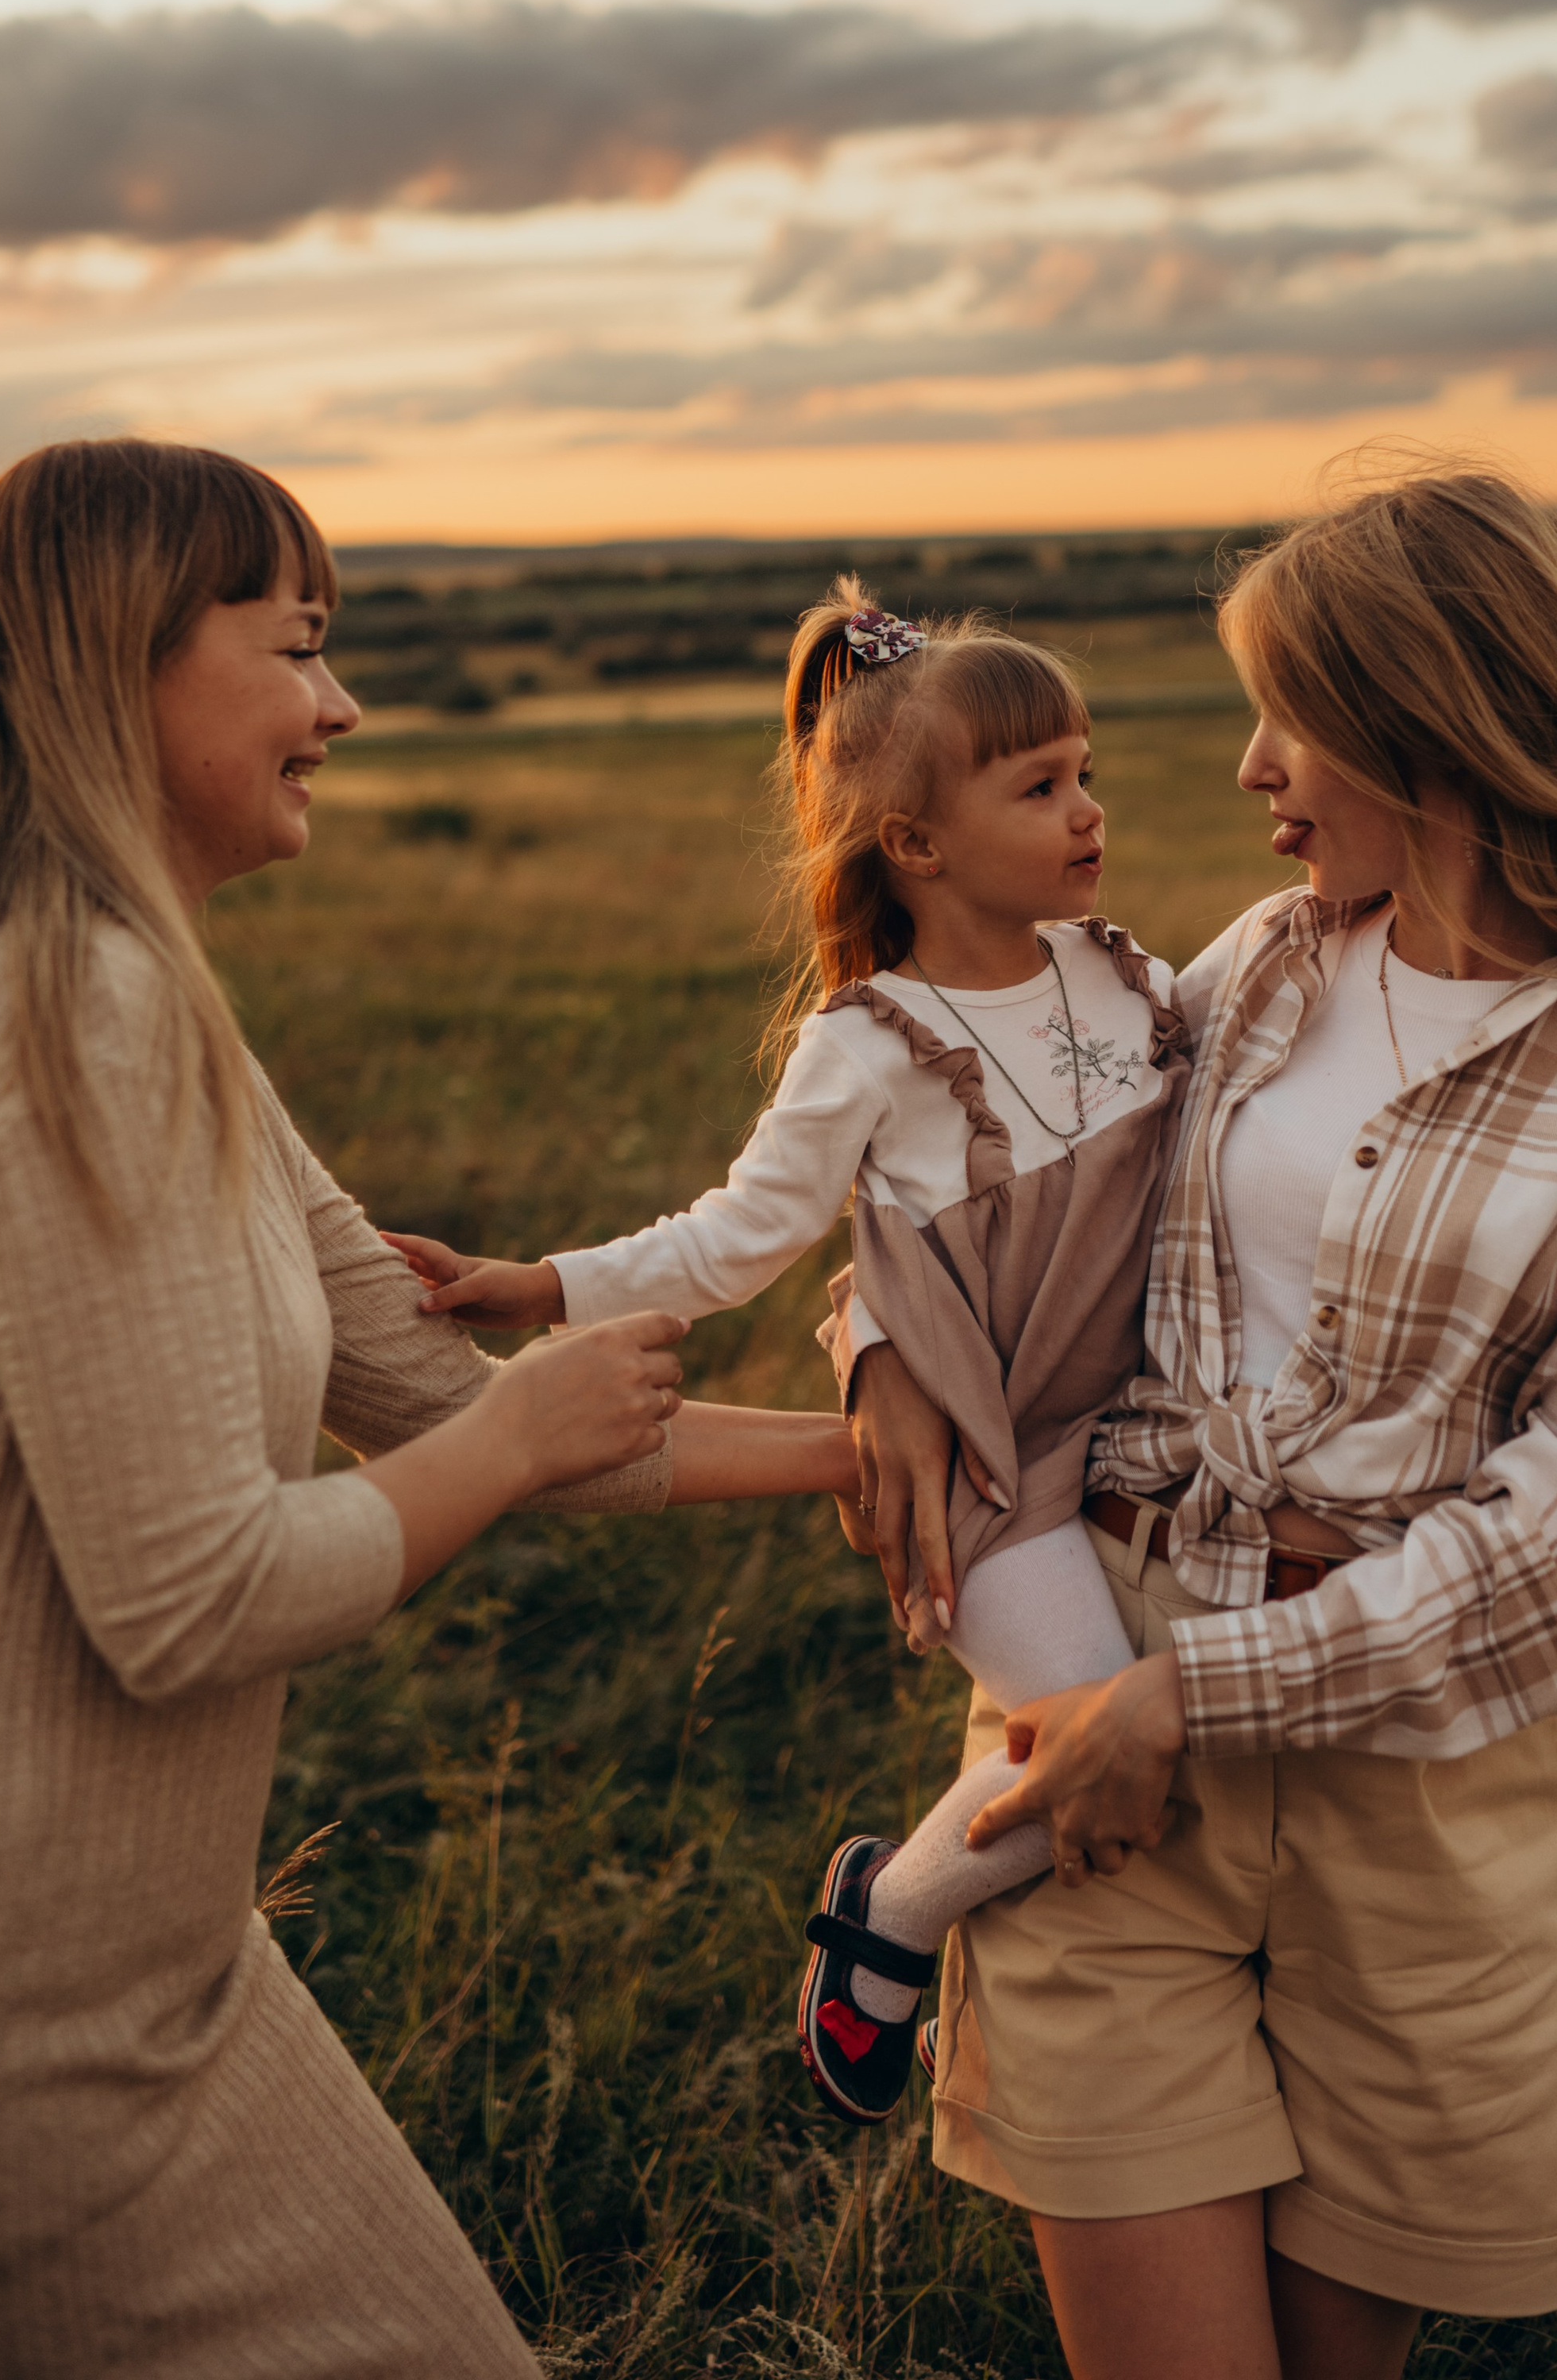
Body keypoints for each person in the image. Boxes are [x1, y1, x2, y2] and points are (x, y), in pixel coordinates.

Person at [0, 439, 855, 2380]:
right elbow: (190, 1601)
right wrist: (507, 1443)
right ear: (117, 663)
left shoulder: (152, 1001)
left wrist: (859, 1453)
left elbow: (444, 1394)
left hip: (152, 1965)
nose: (344, 705)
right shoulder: (71, 1004)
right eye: (296, 647)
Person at [846, 468, 1557, 2380]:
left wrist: (1198, 1705)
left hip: (1413, 1794)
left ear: (1428, 719)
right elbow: (993, 1217)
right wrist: (877, 1352)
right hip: (1100, 1724)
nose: (1244, 768)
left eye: (1290, 713)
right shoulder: (1261, 968)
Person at [385, 576, 1189, 2127]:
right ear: (916, 843)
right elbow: (731, 1241)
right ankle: (890, 1917)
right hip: (973, 1456)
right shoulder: (865, 1046)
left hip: (1139, 1428)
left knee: (1179, 1736)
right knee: (1096, 1740)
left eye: (1089, 771)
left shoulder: (1123, 973)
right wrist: (537, 1285)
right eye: (1042, 785)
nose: (1088, 810)